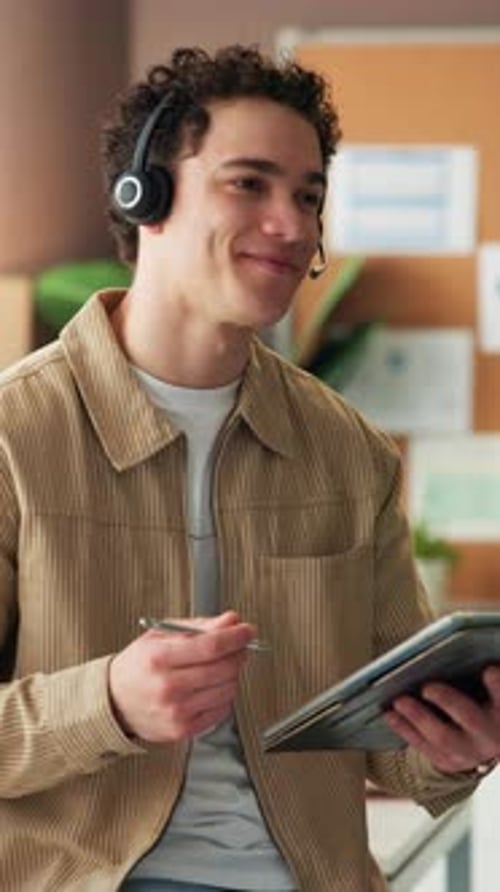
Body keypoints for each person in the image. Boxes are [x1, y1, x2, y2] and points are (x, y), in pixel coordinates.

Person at [0, 44, 499, 892]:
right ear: (144, 195)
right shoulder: (15, 433)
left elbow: (403, 757)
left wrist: (466, 744)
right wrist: (111, 704)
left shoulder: (348, 451)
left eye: (308, 196)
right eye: (250, 184)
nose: (293, 224)